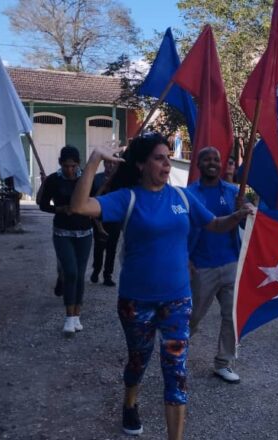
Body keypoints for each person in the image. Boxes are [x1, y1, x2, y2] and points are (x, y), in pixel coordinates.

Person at [69, 133, 253, 439]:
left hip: (178, 301)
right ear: (141, 164)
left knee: (176, 373)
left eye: (169, 157)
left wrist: (237, 215)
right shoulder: (127, 198)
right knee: (138, 361)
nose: (167, 163)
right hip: (136, 301)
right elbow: (79, 207)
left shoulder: (182, 197)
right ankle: (130, 403)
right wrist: (94, 160)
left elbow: (214, 224)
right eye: (159, 157)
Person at [187, 147, 242, 384]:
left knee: (232, 317)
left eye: (216, 159)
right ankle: (176, 356)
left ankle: (223, 362)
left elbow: (246, 219)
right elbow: (184, 229)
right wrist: (186, 258)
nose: (213, 163)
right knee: (193, 317)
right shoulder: (190, 194)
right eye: (207, 159)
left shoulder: (233, 192)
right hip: (202, 266)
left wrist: (247, 209)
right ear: (198, 164)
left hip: (231, 263)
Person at [37, 146, 92, 337]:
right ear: (61, 163)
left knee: (80, 274)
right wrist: (60, 209)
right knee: (70, 272)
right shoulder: (54, 180)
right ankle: (68, 317)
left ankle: (77, 315)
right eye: (66, 166)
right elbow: (42, 204)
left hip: (85, 232)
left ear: (79, 164)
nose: (70, 170)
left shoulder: (86, 179)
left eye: (73, 166)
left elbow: (95, 201)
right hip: (62, 232)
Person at [90, 160, 120, 287]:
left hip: (115, 219)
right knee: (99, 247)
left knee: (112, 249)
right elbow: (91, 199)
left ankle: (107, 275)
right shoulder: (96, 179)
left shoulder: (120, 180)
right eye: (109, 163)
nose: (111, 166)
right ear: (104, 164)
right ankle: (96, 270)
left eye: (113, 163)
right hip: (99, 218)